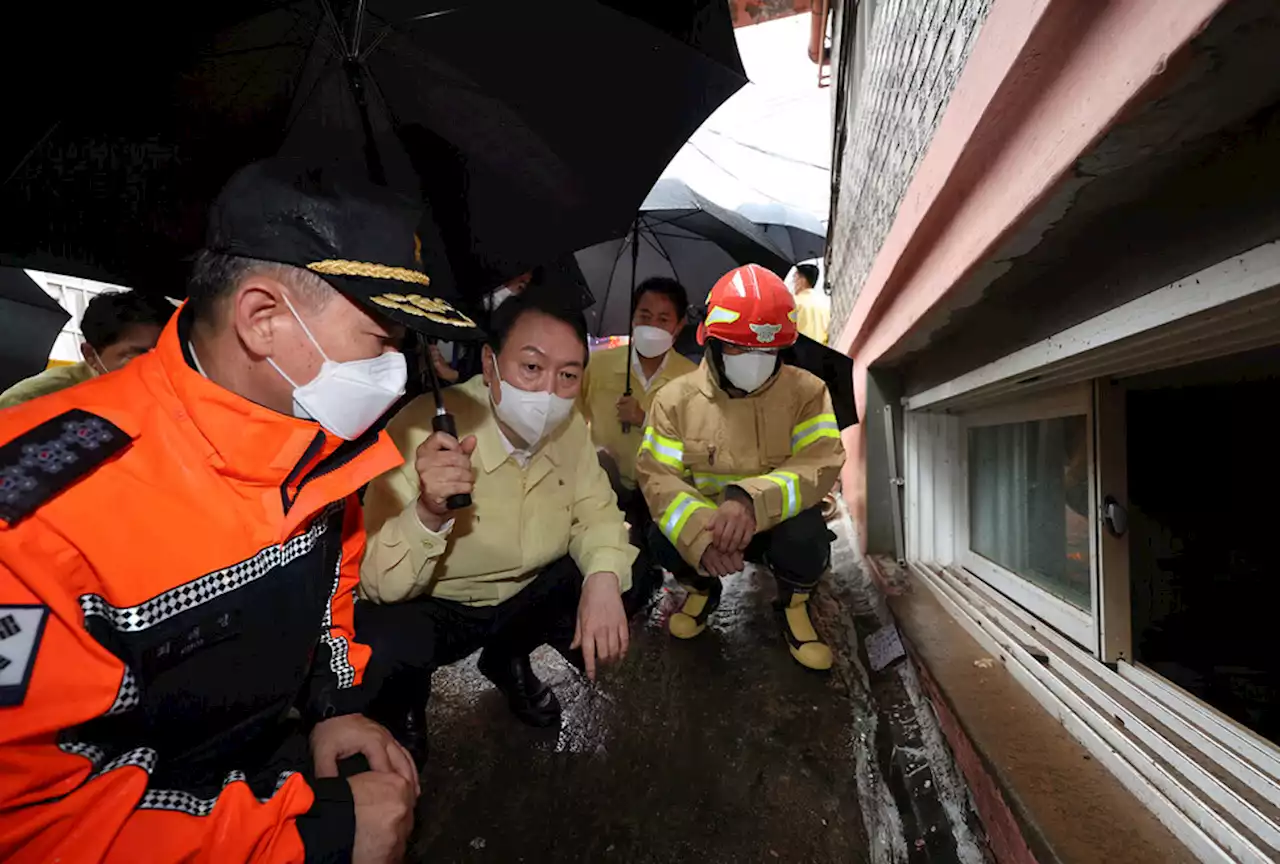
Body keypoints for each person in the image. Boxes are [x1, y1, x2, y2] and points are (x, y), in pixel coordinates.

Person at [0, 158, 482, 863]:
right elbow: (34, 823)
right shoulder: (37, 513)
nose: (397, 371)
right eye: (381, 341)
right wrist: (307, 839)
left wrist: (333, 704)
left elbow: (333, 595)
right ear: (263, 320)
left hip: (268, 758)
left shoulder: (320, 440)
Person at [357, 288, 654, 764]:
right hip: (440, 603)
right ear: (491, 365)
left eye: (568, 375)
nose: (548, 393)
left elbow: (597, 510)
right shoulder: (418, 428)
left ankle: (508, 656)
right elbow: (373, 580)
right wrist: (428, 512)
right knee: (379, 640)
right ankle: (404, 701)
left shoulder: (571, 427)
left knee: (629, 570)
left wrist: (601, 580)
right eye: (531, 368)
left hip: (523, 594)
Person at [636, 264, 845, 670]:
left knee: (808, 535)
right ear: (710, 341)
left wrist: (750, 501)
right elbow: (657, 477)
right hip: (712, 530)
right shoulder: (673, 400)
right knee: (660, 535)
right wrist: (700, 535)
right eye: (738, 347)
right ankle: (702, 588)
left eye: (767, 350)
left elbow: (820, 461)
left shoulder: (807, 392)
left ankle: (793, 604)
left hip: (775, 526)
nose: (755, 359)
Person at [579, 277, 698, 540]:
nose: (652, 326)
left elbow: (695, 444)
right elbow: (572, 420)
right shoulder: (597, 364)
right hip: (605, 484)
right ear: (632, 318)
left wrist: (645, 420)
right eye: (645, 316)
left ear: (678, 327)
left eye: (663, 319)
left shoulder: (692, 379)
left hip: (662, 490)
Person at [0, 290, 172, 409]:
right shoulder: (29, 402)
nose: (158, 367)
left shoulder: (180, 393)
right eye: (139, 355)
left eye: (168, 354)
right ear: (90, 355)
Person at [789, 262, 831, 346]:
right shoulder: (825, 304)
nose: (793, 282)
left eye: (795, 277)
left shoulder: (795, 302)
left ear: (802, 280)